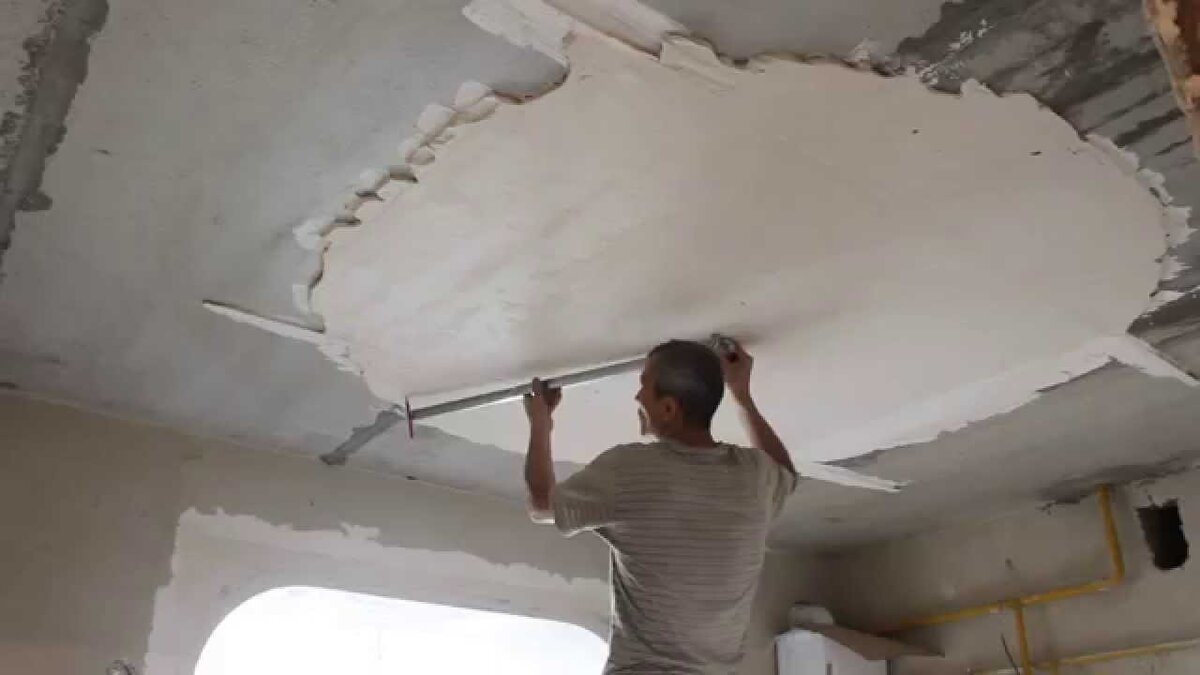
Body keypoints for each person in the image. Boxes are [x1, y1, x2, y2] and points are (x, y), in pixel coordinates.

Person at [523, 338, 798, 674]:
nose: (637, 397)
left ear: (669, 409)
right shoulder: (754, 477)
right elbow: (785, 472)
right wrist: (743, 398)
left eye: (644, 386)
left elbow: (542, 504)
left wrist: (540, 423)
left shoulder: (630, 471)